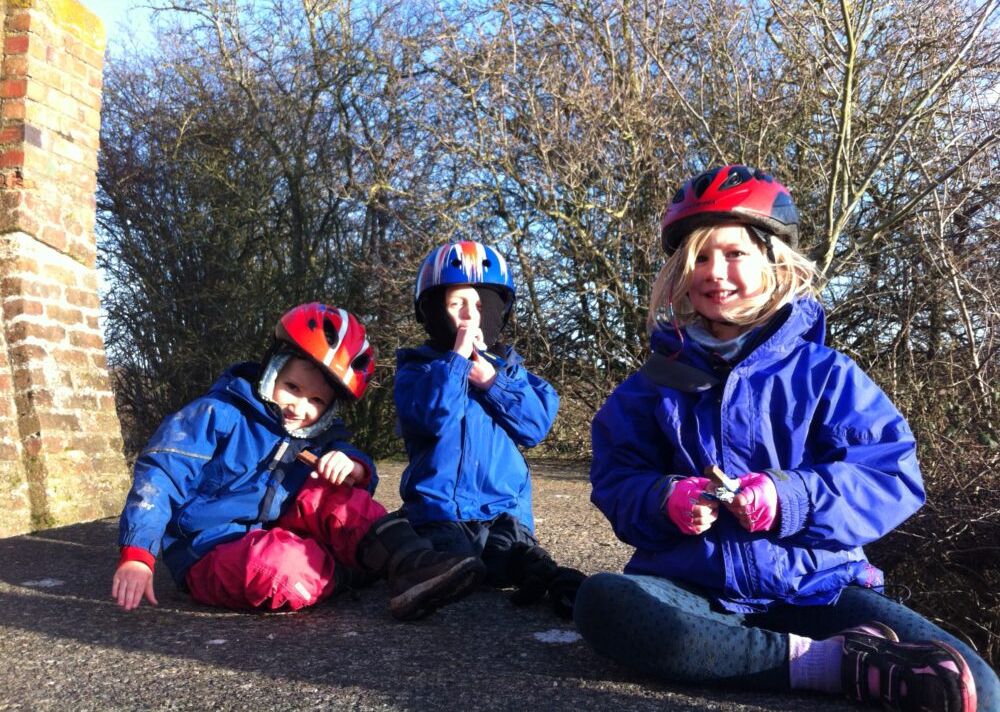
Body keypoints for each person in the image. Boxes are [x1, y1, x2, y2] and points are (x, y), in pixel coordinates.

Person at [574, 166, 998, 712]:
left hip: (818, 587)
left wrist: (788, 497)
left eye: (733, 254)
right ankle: (839, 666)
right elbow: (616, 479)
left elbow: (890, 474)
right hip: (691, 588)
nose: (714, 272)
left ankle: (810, 656)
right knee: (604, 604)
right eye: (698, 257)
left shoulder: (829, 375)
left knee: (973, 689)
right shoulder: (649, 386)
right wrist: (663, 499)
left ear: (775, 261)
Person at [112, 303, 485, 620]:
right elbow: (161, 475)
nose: (300, 407)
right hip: (208, 547)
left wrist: (353, 466)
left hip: (279, 526)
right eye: (292, 388)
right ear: (272, 369)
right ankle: (352, 570)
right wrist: (138, 552)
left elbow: (350, 474)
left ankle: (411, 561)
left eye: (317, 402)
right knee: (281, 569)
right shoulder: (217, 414)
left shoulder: (314, 434)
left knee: (337, 493)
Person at [393, 240, 583, 618]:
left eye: (480, 306)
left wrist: (493, 382)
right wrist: (458, 362)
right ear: (433, 311)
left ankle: (563, 587)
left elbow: (534, 427)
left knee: (513, 558)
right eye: (456, 304)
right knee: (450, 558)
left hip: (502, 509)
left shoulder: (514, 372)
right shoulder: (417, 371)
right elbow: (433, 418)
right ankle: (421, 576)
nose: (470, 316)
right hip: (442, 510)